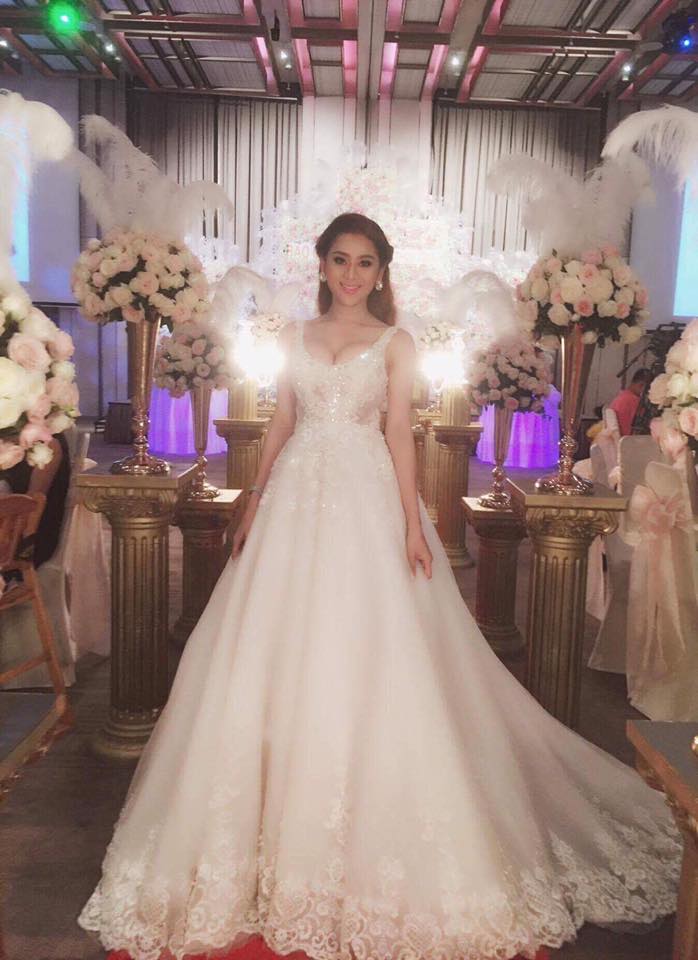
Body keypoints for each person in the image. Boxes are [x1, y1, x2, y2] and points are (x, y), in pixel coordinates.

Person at [79, 214, 680, 960]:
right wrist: (254, 499)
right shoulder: (295, 336)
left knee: (372, 645)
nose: (352, 274)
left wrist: (411, 523)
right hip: (294, 500)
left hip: (365, 498)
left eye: (365, 262)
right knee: (274, 646)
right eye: (341, 259)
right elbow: (283, 420)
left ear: (382, 271)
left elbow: (399, 432)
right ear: (322, 265)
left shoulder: (396, 344)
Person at [608, 368, 653, 437]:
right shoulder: (635, 401)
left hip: (617, 438)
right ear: (641, 385)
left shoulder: (622, 396)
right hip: (629, 440)